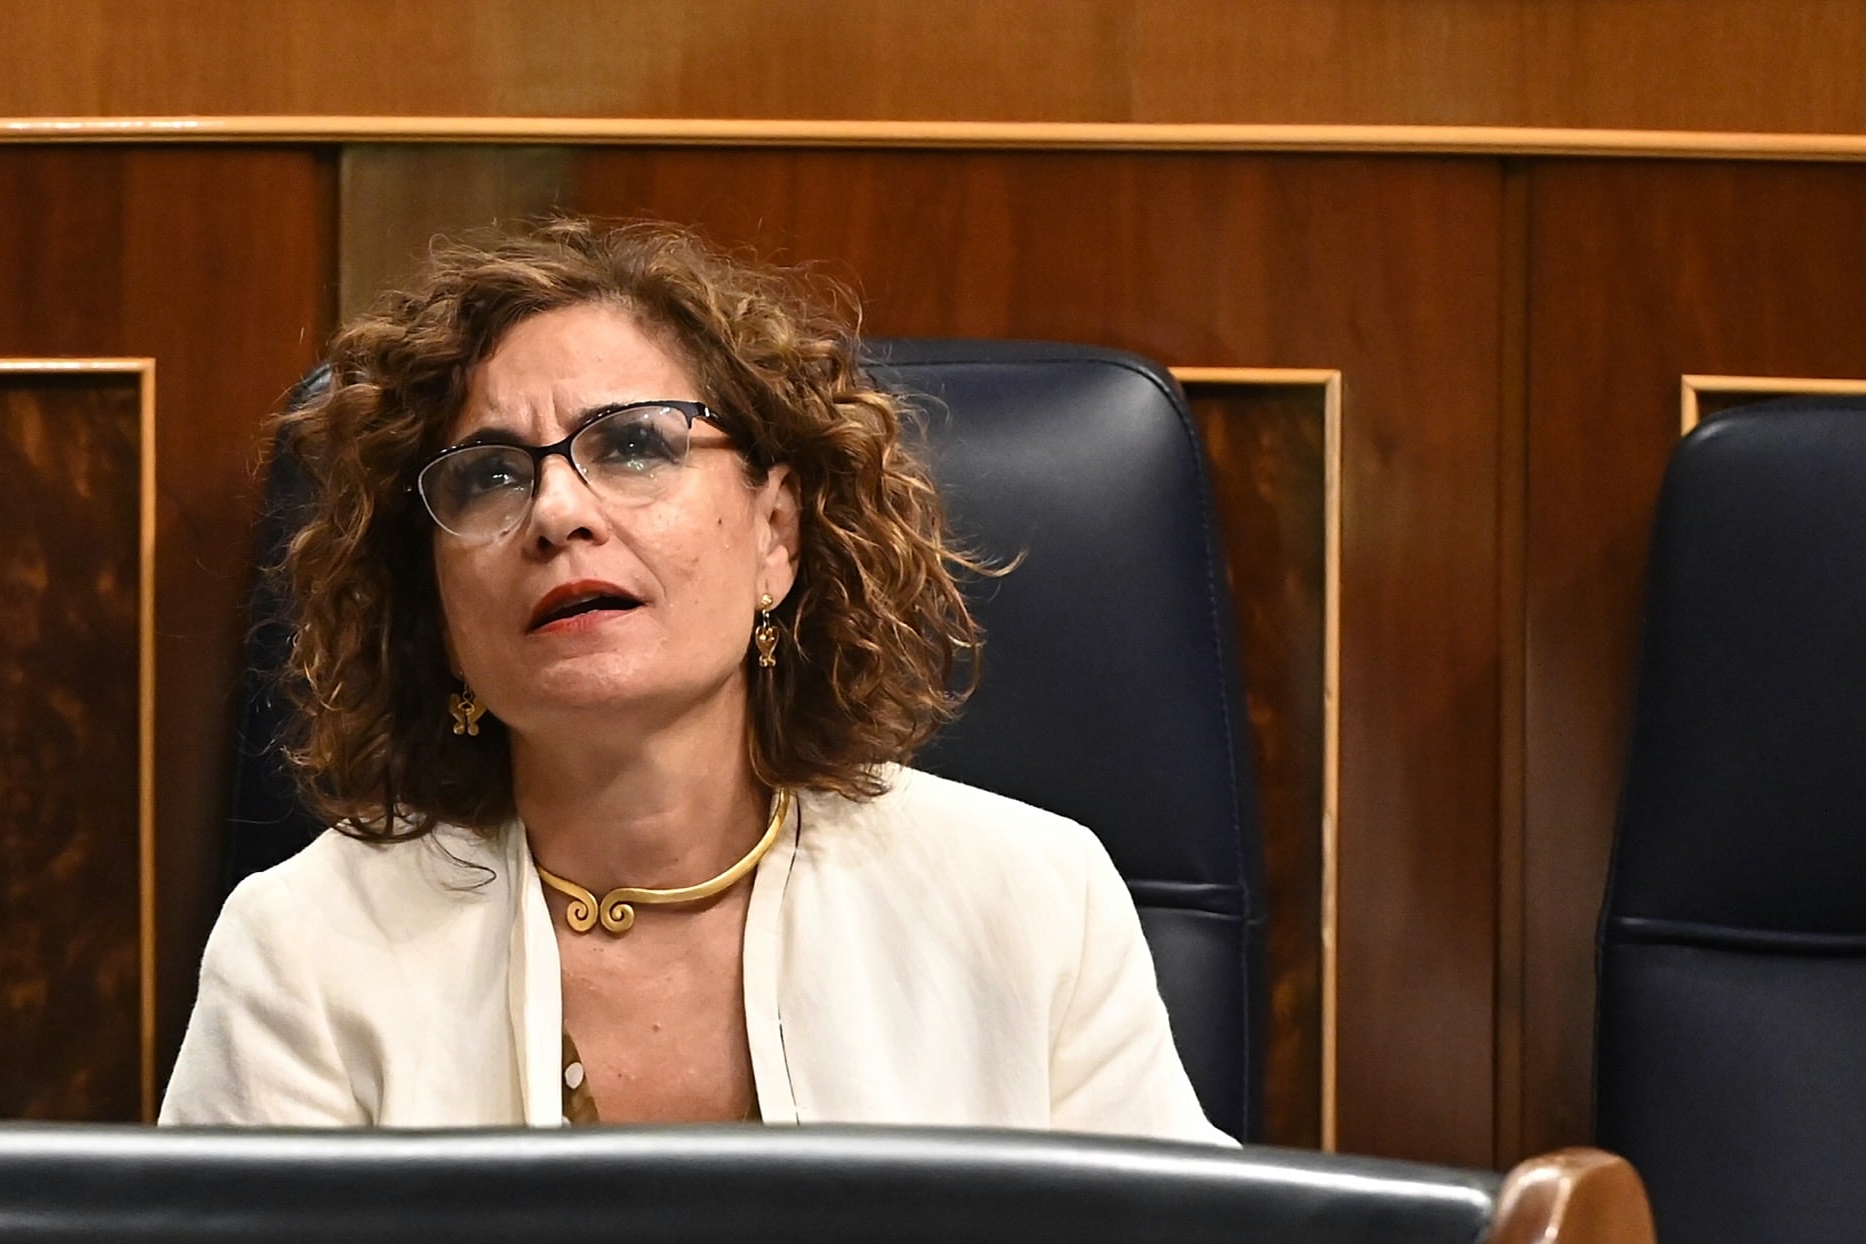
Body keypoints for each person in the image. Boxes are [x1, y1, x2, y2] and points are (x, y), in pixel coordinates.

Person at [161, 215, 1225, 1140]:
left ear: (776, 535)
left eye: (630, 446)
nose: (558, 512)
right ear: (434, 609)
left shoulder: (1031, 900)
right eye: (490, 476)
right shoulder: (304, 951)